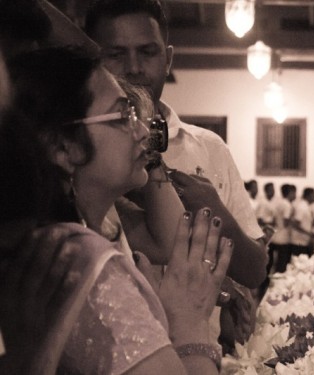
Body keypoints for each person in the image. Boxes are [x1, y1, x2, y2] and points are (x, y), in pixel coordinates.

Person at [2, 46, 232, 374]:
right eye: (123, 115)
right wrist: (190, 325)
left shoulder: (67, 235)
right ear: (63, 146)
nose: (142, 132)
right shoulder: (81, 263)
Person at [84, 0, 267, 287]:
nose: (133, 68)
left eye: (147, 52)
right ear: (92, 59)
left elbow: (255, 272)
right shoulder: (83, 152)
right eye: (116, 54)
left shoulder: (209, 147)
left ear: (167, 59)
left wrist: (214, 213)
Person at [291, 187, 314, 257]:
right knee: (299, 263)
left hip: (304, 241)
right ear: (309, 195)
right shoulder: (302, 207)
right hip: (299, 242)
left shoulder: (306, 206)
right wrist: (309, 233)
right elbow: (295, 224)